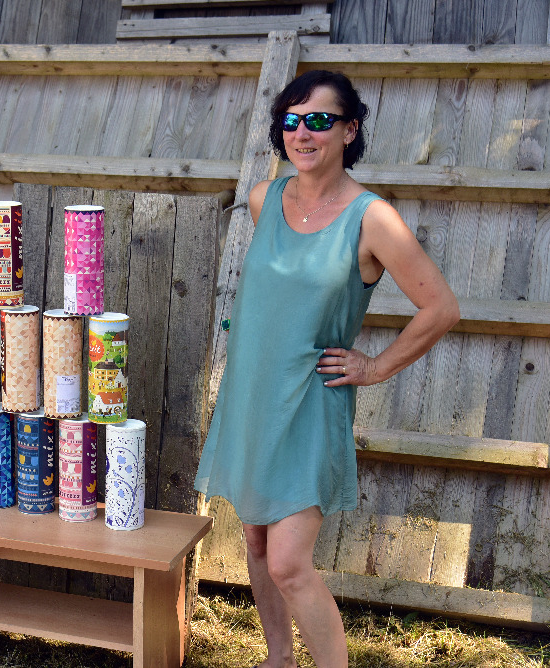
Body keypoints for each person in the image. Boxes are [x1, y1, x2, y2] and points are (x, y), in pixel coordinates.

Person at [194, 70, 459, 667]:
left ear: (349, 130)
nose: (302, 133)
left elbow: (441, 308)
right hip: (251, 396)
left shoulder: (372, 219)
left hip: (310, 403)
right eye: (291, 120)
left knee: (289, 563)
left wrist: (376, 366)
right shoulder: (264, 199)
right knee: (257, 544)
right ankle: (279, 659)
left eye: (318, 120)